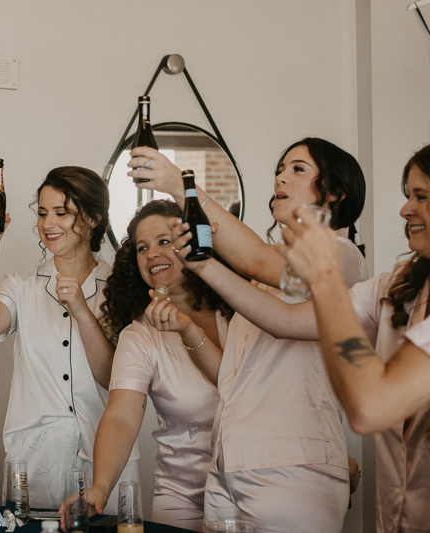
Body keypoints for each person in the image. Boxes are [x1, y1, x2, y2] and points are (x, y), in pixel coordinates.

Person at [129, 138, 368, 531]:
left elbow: (255, 258)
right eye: (280, 168)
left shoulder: (340, 254)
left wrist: (181, 185)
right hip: (228, 468)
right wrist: (188, 329)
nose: (281, 175)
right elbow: (232, 378)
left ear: (335, 192)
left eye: (298, 169)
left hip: (293, 469)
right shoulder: (260, 282)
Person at [231, 145, 430, 533]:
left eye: (420, 197)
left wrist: (323, 280)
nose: (405, 210)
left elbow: (369, 405)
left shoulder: (344, 256)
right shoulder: (392, 288)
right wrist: (201, 263)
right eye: (407, 196)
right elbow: (283, 319)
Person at [0, 166, 139, 512]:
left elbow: (113, 378)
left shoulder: (122, 288)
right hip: (35, 460)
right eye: (43, 213)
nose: (48, 224)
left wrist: (81, 311)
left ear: (93, 218)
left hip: (106, 459)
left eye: (62, 213)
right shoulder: (22, 285)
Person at [81, 200, 232, 531]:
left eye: (164, 241)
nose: (151, 254)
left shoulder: (240, 310)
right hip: (181, 498)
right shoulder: (140, 336)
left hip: (256, 485)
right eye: (141, 247)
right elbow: (120, 417)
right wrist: (100, 487)